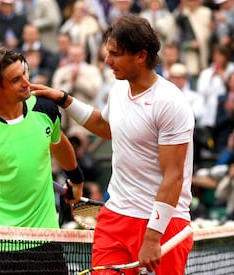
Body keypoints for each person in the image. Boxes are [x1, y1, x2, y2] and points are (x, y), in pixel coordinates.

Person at [31, 14, 194, 274]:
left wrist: (152, 236)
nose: (107, 61)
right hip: (115, 216)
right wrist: (64, 99)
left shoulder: (170, 103)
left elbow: (173, 177)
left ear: (140, 56)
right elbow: (106, 127)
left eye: (115, 54)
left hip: (162, 225)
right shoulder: (119, 89)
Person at [0, 47, 84, 274]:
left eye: (25, 74)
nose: (26, 83)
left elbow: (58, 143)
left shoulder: (45, 109)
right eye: (16, 80)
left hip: (45, 242)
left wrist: (76, 178)